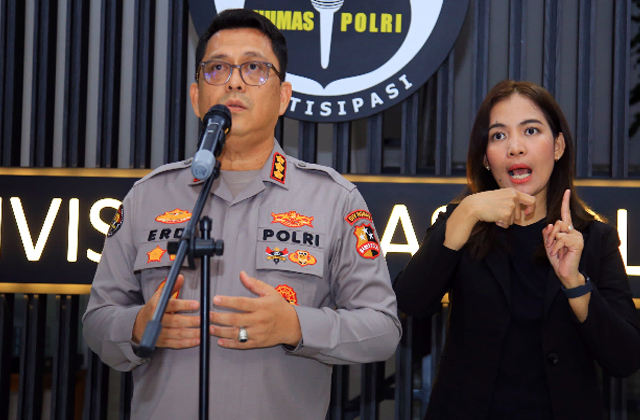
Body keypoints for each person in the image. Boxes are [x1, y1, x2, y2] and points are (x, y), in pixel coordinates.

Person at [83, 9, 400, 420]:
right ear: (196, 96)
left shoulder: (333, 200)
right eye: (217, 68)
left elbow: (382, 330)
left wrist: (296, 326)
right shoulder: (148, 196)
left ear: (283, 97)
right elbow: (97, 322)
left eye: (254, 68)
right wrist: (138, 326)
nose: (234, 81)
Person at [393, 80, 640, 419]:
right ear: (485, 158)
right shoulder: (462, 223)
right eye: (498, 135)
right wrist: (466, 211)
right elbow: (411, 302)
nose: (515, 147)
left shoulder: (595, 238)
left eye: (531, 131)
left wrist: (575, 284)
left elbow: (625, 359)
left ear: (558, 146)